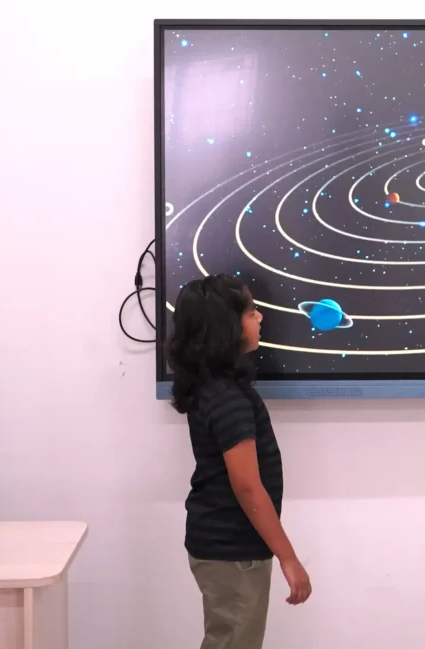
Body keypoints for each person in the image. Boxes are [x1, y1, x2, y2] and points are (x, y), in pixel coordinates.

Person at [168, 274, 311, 649]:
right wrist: (289, 558)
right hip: (233, 551)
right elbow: (247, 486)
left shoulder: (215, 388)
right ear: (226, 328)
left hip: (225, 545)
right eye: (250, 312)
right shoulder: (228, 399)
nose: (260, 317)